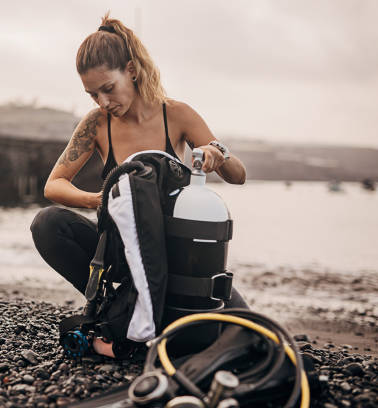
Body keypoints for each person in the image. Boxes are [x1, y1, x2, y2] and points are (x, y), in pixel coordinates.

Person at [31, 14, 248, 357]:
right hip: (120, 251)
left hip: (173, 256)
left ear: (131, 70)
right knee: (47, 223)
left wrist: (215, 152)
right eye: (92, 94)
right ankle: (112, 308)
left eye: (108, 89)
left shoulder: (176, 114)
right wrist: (98, 200)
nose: (103, 102)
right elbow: (54, 185)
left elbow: (239, 175)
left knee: (247, 329)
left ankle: (136, 318)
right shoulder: (97, 124)